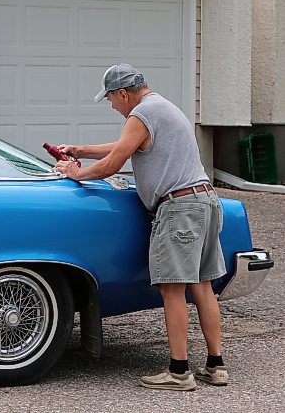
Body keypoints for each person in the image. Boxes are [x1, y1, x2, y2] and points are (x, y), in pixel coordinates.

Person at [55, 63, 229, 391]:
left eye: (110, 99)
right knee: (203, 287)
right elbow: (124, 146)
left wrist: (75, 173)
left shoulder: (142, 115)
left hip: (178, 209)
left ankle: (179, 372)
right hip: (204, 201)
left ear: (123, 93)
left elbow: (115, 161)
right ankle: (215, 366)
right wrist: (80, 150)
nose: (111, 105)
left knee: (173, 288)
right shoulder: (160, 108)